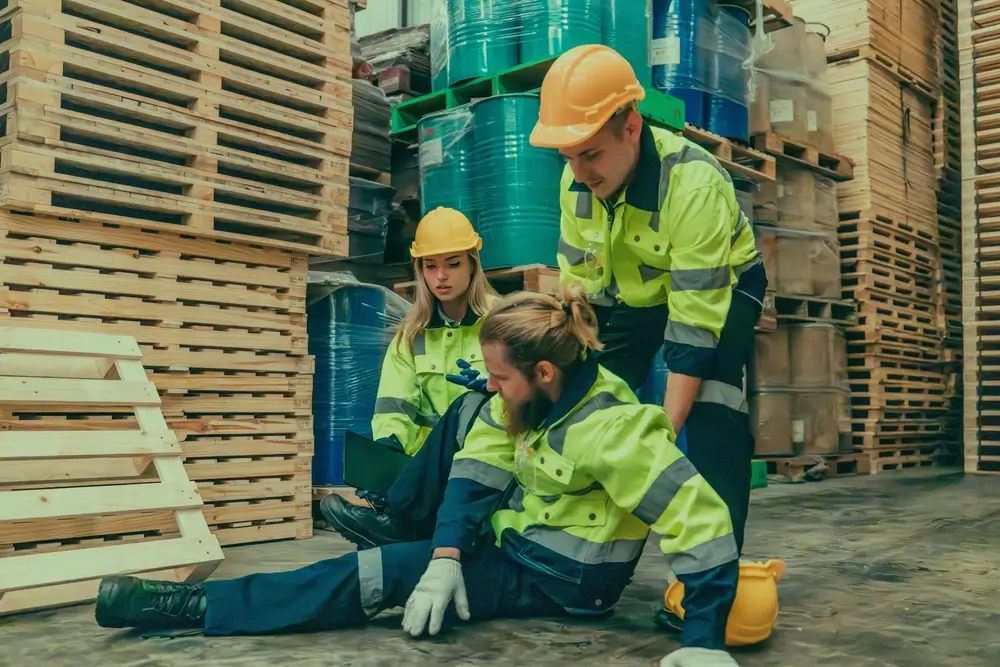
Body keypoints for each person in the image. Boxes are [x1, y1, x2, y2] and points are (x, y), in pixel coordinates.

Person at [94, 287, 744, 667]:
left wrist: (705, 640)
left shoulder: (614, 430)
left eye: (502, 376)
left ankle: (195, 607)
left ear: (544, 374)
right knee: (457, 442)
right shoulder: (529, 398)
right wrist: (444, 553)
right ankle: (395, 529)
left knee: (378, 574)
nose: (493, 387)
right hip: (516, 539)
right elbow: (477, 469)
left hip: (563, 581)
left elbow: (701, 518)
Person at [529, 44, 768, 563]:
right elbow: (579, 292)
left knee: (713, 407)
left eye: (591, 154)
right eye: (568, 157)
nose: (579, 172)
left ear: (632, 127)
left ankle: (715, 566)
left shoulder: (693, 186)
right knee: (585, 400)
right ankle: (571, 546)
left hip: (721, 287)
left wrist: (665, 428)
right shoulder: (575, 183)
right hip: (634, 298)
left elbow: (693, 327)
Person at [318, 206, 497, 546]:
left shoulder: (502, 323)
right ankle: (397, 516)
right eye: (430, 266)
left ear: (474, 263)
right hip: (424, 474)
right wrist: (385, 453)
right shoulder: (409, 336)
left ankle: (397, 522)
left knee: (471, 404)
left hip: (486, 466)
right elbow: (394, 407)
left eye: (453, 263)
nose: (440, 276)